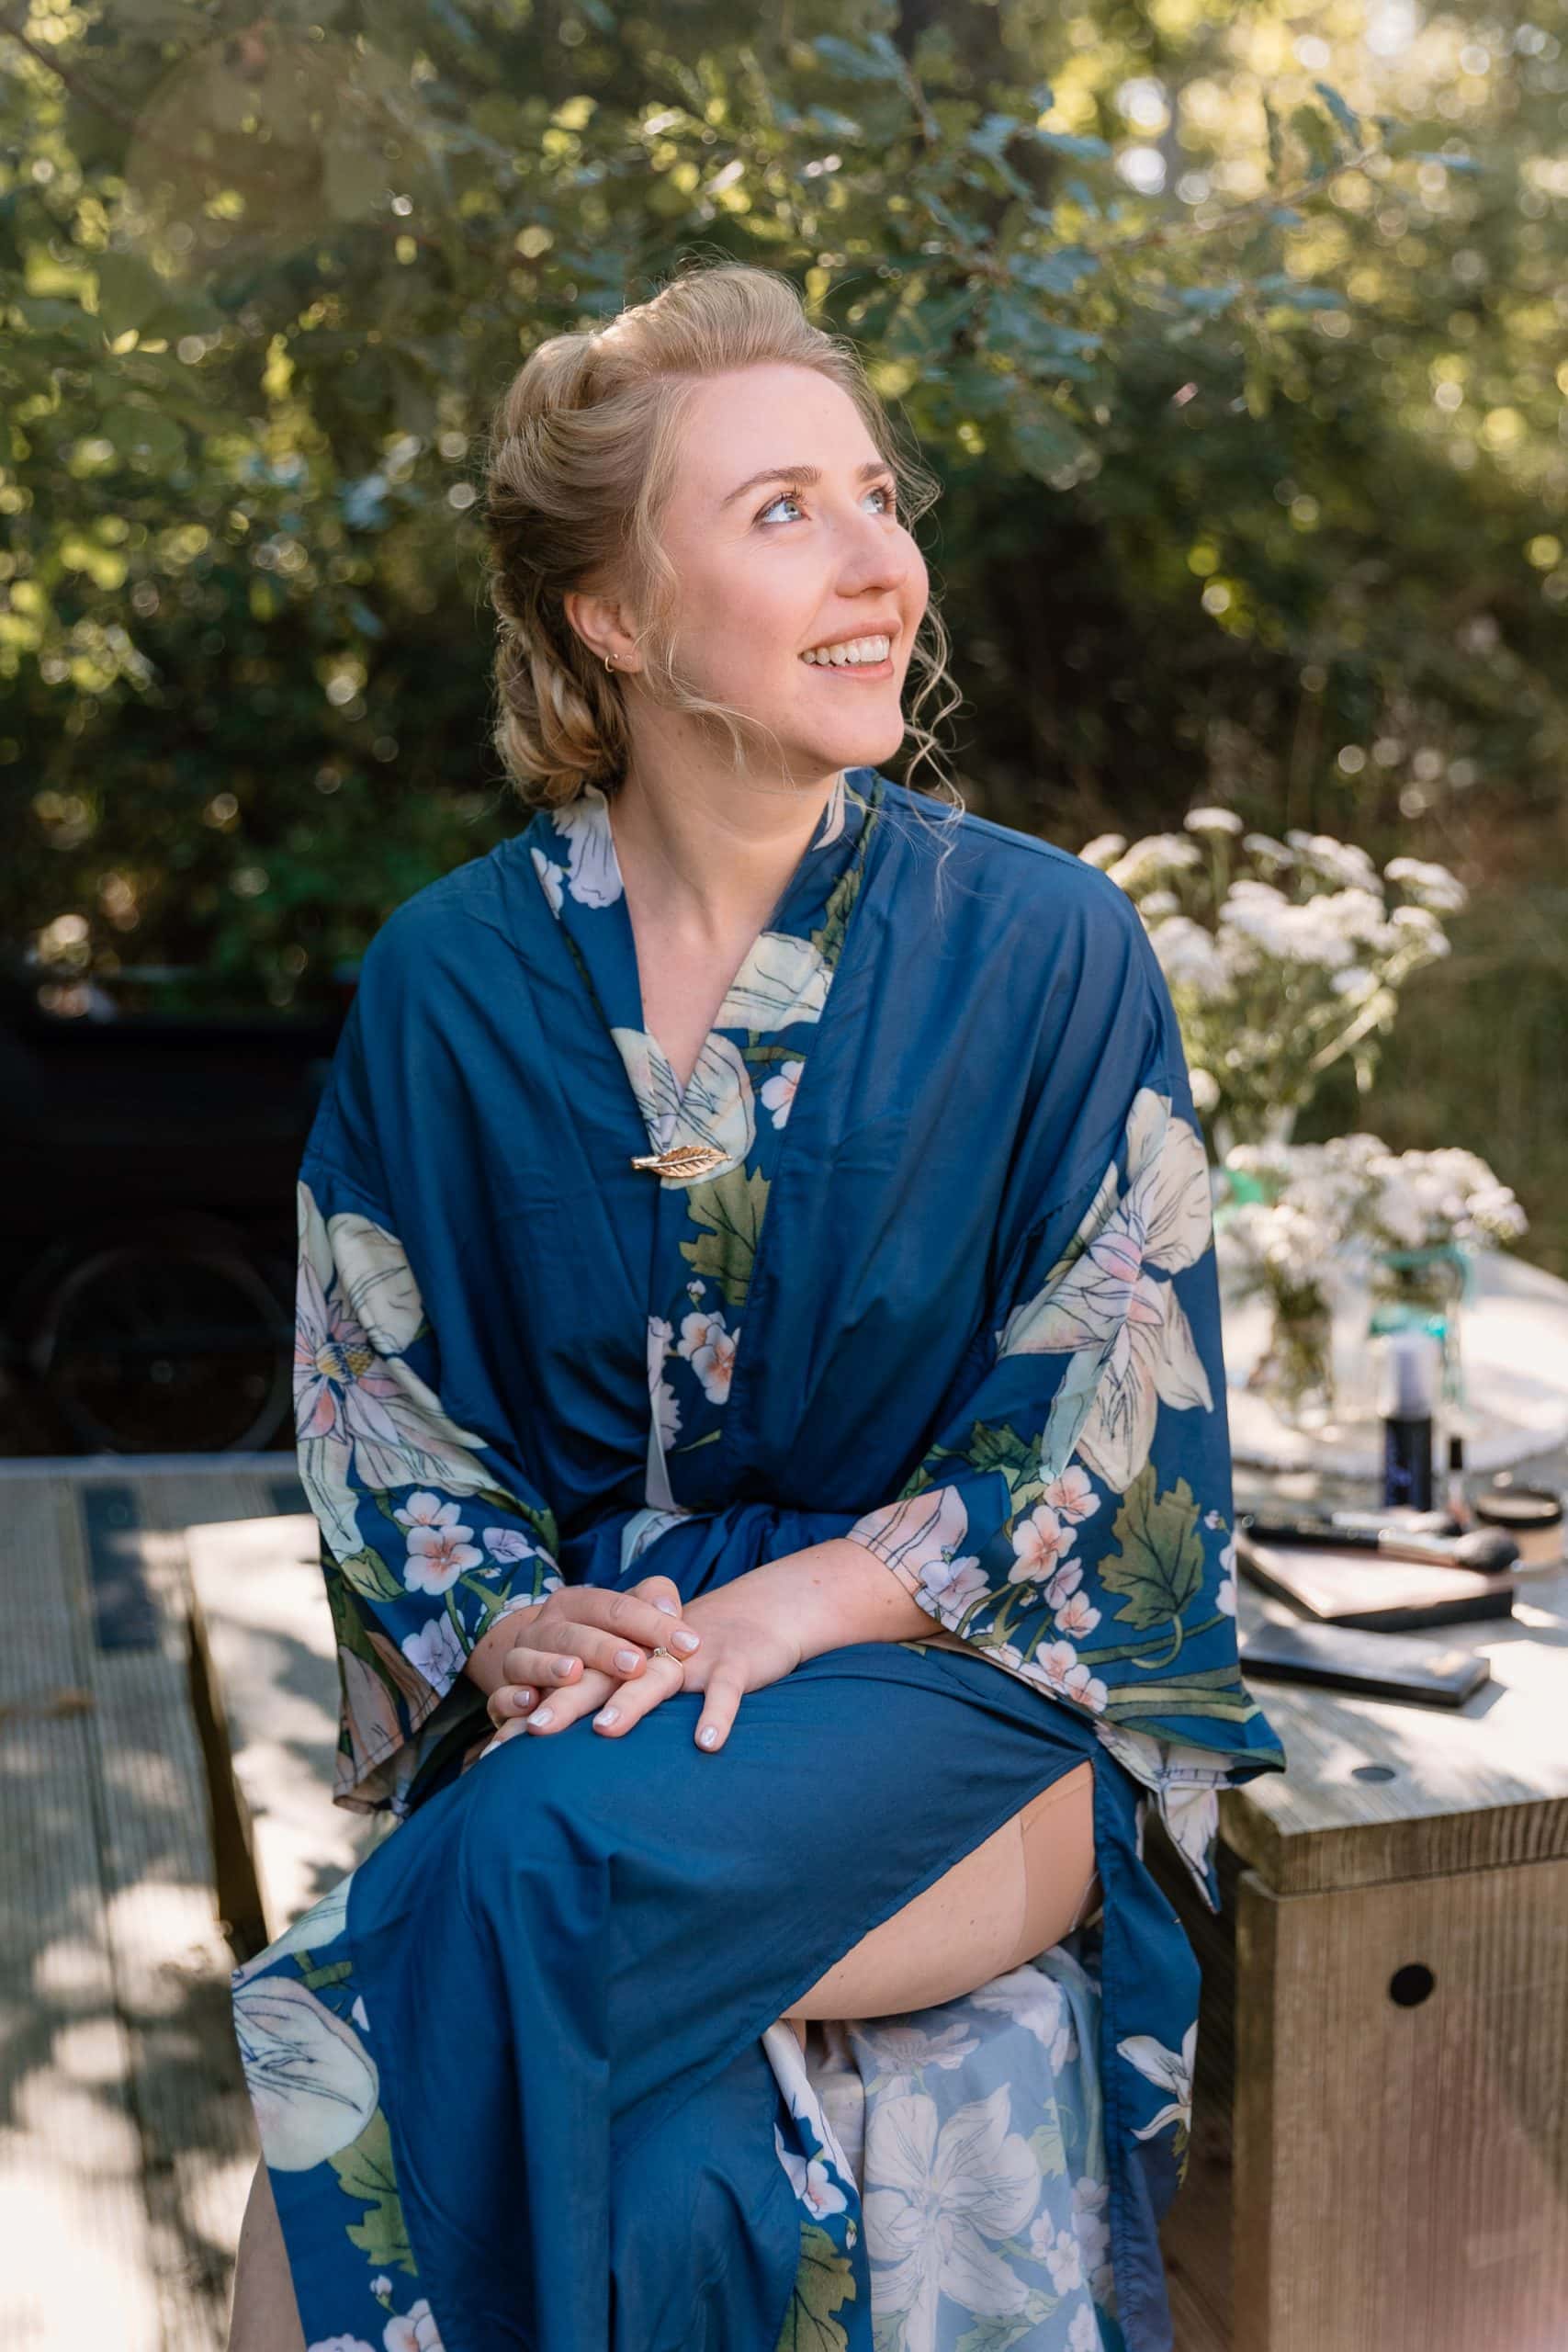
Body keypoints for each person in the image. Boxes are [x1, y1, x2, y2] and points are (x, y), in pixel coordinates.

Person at [226, 260, 1286, 2352]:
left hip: (962, 1694)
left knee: (492, 1883)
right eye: (781, 507)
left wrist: (794, 1603)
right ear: (612, 616)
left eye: (875, 495)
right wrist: (505, 1617)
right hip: (602, 1696)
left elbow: (1106, 1413)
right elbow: (380, 1408)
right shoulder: (451, 977)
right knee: (674, 2165)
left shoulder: (1046, 948)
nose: (877, 557)